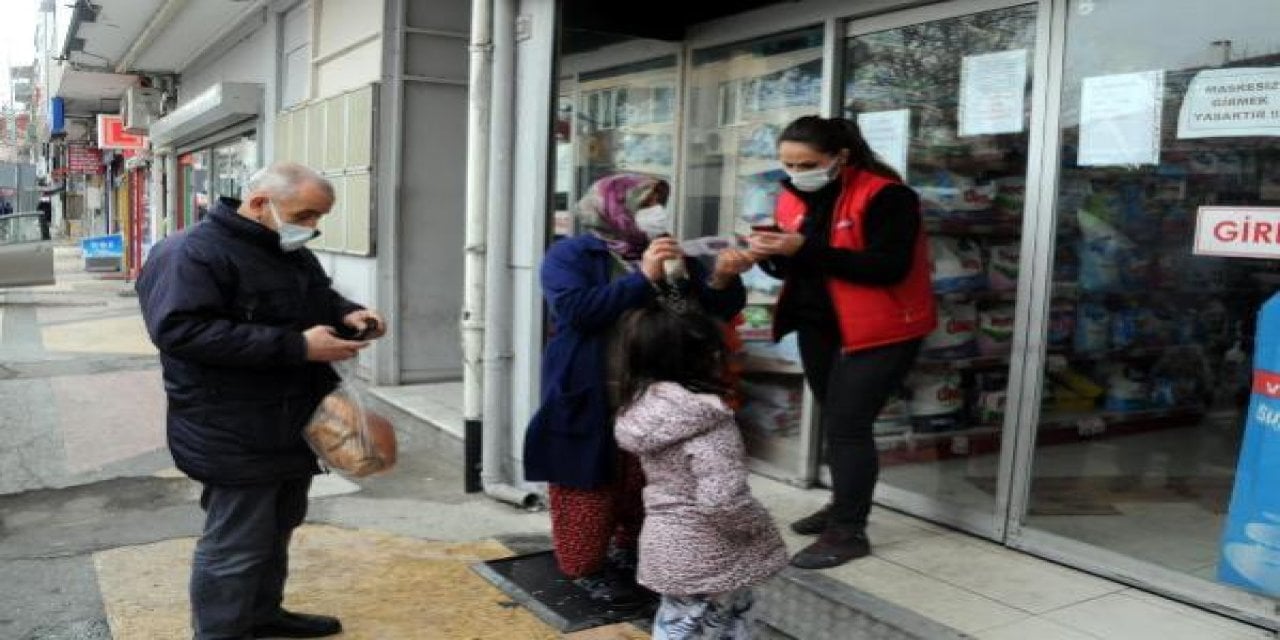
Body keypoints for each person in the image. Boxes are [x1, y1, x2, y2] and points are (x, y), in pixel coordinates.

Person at [136, 163, 386, 640]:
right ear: (258, 204)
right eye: (306, 214)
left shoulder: (286, 250)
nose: (312, 226)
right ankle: (220, 632)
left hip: (292, 418)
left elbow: (319, 298)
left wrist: (351, 315)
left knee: (277, 528)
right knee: (236, 542)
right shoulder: (190, 253)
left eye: (319, 217)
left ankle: (262, 614)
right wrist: (298, 347)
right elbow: (180, 331)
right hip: (229, 424)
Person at [523, 173, 752, 607]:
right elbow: (576, 311)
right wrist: (641, 278)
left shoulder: (668, 250)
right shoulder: (572, 253)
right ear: (614, 207)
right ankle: (583, 568)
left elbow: (702, 313)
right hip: (593, 388)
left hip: (657, 390)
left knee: (648, 480)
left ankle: (635, 555)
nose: (655, 213)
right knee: (588, 485)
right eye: (645, 203)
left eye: (659, 203)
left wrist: (721, 279)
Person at [748, 115, 936, 570]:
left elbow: (886, 267)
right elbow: (799, 266)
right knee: (837, 420)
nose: (796, 173)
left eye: (807, 163)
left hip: (881, 328)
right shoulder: (792, 197)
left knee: (849, 426)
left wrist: (801, 251)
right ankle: (842, 505)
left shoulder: (887, 195)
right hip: (820, 325)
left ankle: (849, 532)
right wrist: (766, 256)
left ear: (840, 158)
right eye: (787, 164)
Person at [614, 305, 787, 639]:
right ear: (704, 357)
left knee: (679, 625)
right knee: (723, 625)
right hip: (713, 552)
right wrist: (757, 525)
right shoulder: (707, 422)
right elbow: (722, 499)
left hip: (667, 543)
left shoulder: (645, 408)